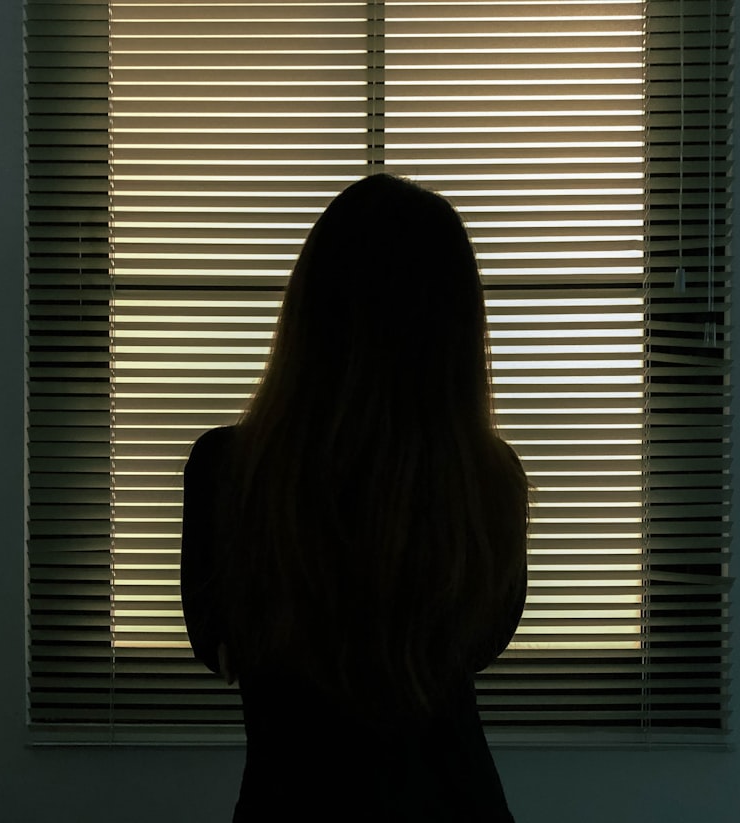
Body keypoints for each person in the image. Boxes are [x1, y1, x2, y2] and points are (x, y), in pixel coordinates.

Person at [181, 174, 529, 822]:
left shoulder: (227, 470)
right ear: (456, 330)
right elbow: (480, 643)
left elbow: (220, 649)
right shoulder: (491, 483)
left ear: (309, 307)